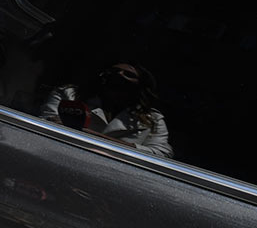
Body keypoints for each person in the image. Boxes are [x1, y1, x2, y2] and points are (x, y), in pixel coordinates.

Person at [41, 63, 172, 158]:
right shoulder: (70, 95)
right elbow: (47, 123)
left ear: (140, 86)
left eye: (128, 74)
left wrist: (93, 136)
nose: (119, 74)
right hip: (58, 155)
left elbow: (161, 153)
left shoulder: (152, 118)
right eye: (114, 70)